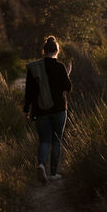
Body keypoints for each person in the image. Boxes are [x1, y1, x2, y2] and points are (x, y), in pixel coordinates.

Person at [23, 36, 72, 183]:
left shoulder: (34, 68)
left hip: (40, 110)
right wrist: (67, 74)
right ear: (57, 51)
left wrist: (26, 110)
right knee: (57, 140)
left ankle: (41, 165)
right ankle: (53, 173)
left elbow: (29, 92)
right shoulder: (60, 66)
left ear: (43, 51)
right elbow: (68, 88)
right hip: (58, 110)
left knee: (44, 141)